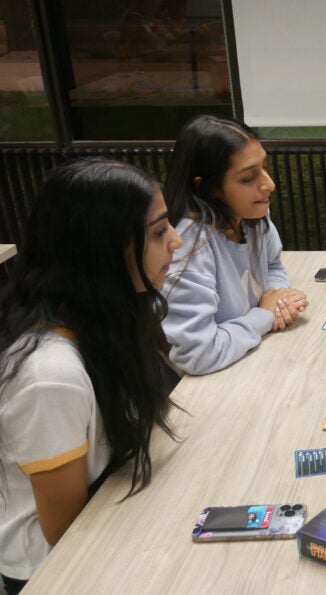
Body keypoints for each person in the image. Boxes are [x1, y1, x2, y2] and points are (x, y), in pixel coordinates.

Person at [0, 159, 183, 593]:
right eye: (158, 232)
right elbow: (67, 537)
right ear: (102, 251)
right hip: (52, 572)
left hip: (114, 509)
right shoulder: (50, 376)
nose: (176, 241)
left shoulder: (106, 316)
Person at [161, 114, 308, 375]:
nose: (269, 184)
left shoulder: (251, 215)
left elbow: (272, 264)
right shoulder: (187, 247)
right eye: (248, 178)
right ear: (207, 188)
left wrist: (278, 298)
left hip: (249, 358)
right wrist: (265, 315)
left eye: (265, 167)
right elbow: (197, 355)